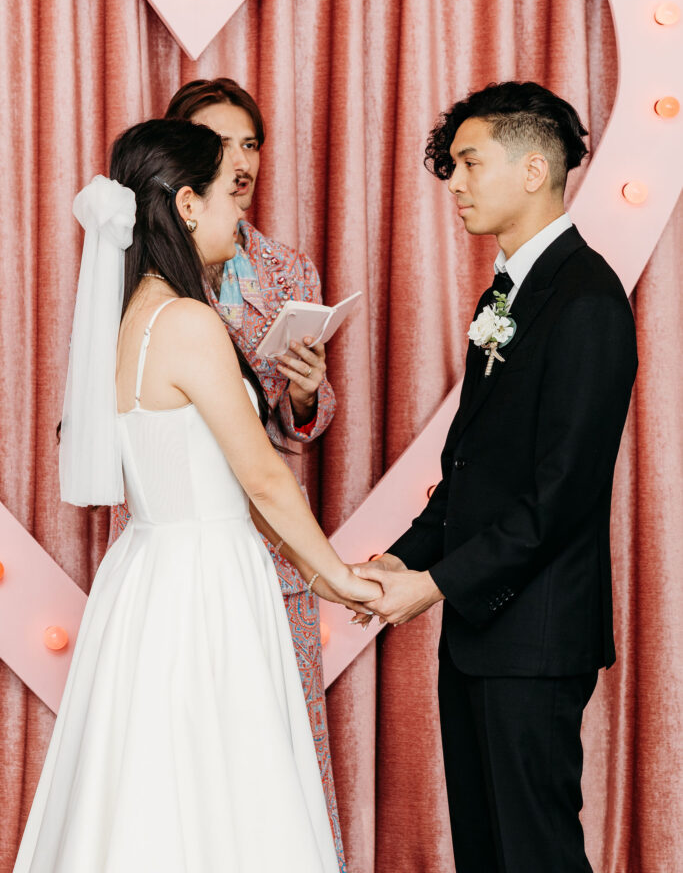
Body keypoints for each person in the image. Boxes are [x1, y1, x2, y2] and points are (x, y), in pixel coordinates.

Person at [13, 119, 379, 873]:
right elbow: (264, 478)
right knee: (222, 789)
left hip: (147, 575)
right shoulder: (186, 322)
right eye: (227, 199)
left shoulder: (132, 318)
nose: (238, 217)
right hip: (204, 582)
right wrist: (338, 579)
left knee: (150, 787)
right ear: (185, 206)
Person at [355, 82, 638, 873]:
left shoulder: (585, 300)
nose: (454, 182)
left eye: (469, 163)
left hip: (536, 637)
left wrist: (435, 583)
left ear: (534, 168)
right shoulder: (504, 293)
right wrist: (404, 560)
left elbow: (560, 497)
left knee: (535, 854)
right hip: (481, 633)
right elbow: (470, 465)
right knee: (486, 851)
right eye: (451, 166)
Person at [161, 77, 348, 868]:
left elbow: (300, 434)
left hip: (277, 546)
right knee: (190, 740)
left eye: (249, 144)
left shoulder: (288, 268)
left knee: (275, 736)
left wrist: (305, 393)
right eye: (216, 144)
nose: (237, 162)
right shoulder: (152, 269)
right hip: (189, 530)